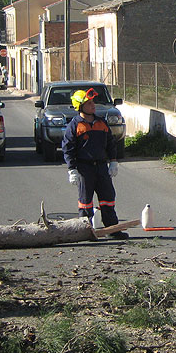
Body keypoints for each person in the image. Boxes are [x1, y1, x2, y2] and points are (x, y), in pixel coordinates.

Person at [62, 87, 127, 239]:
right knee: (85, 202)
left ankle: (112, 230)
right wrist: (72, 169)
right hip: (84, 169)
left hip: (102, 167)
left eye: (93, 102)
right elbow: (68, 148)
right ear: (80, 106)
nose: (93, 105)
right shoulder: (75, 125)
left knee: (108, 199)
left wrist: (113, 161)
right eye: (89, 103)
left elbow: (111, 144)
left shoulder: (101, 123)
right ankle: (85, 232)